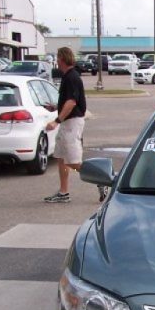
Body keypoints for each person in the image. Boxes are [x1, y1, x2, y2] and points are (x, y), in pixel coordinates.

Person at [43, 46, 106, 203]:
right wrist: (56, 107)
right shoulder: (68, 77)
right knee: (61, 157)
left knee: (72, 161)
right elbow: (68, 101)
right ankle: (63, 192)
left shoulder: (72, 77)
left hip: (71, 123)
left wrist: (55, 121)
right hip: (67, 123)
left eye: (57, 57)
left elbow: (72, 102)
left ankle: (102, 180)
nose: (56, 61)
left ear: (63, 59)